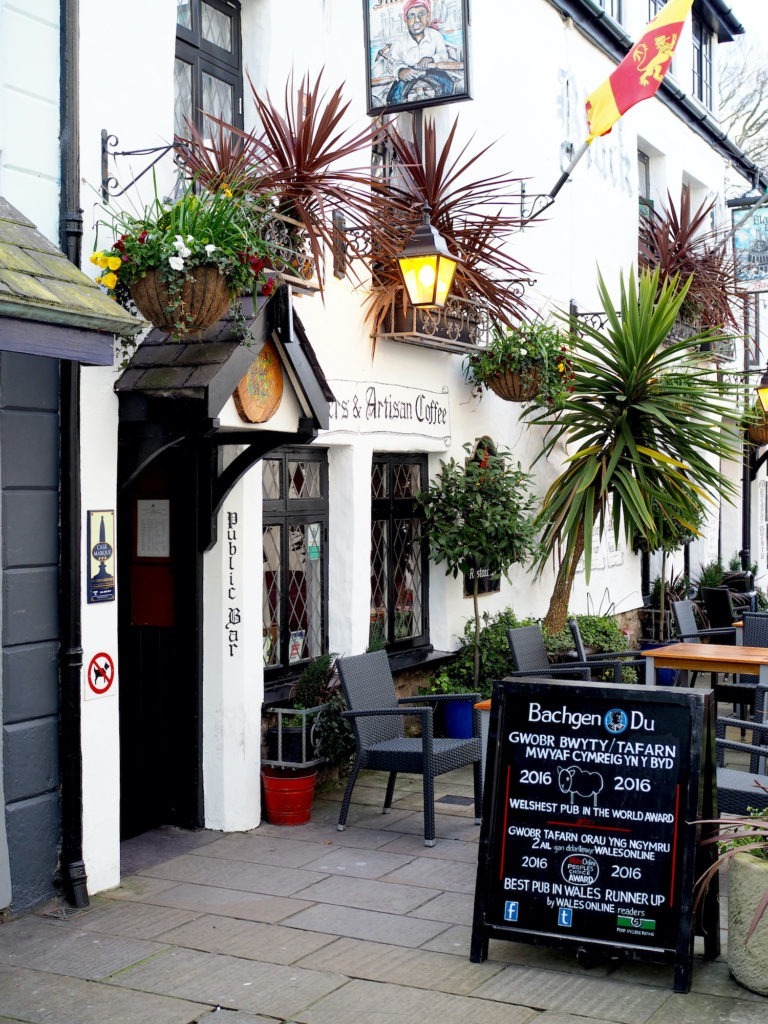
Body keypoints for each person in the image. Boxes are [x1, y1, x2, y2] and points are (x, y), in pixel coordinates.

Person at [382, 0, 456, 105]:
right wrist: (400, 71)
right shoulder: (400, 41)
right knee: (393, 98)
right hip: (409, 73)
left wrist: (432, 59)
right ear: (405, 19)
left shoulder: (435, 35)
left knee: (447, 84)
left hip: (430, 71)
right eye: (412, 15)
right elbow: (392, 62)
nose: (417, 20)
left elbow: (443, 54)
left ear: (428, 16)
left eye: (421, 14)